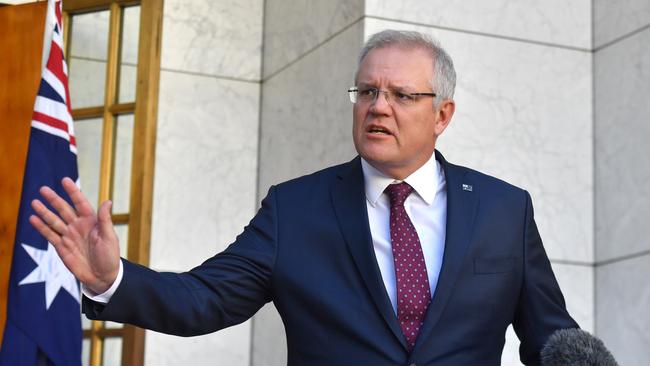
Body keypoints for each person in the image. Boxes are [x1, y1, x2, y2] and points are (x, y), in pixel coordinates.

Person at [30, 30, 578, 365]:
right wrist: (110, 280)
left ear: (442, 115)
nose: (377, 107)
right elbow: (206, 299)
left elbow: (551, 338)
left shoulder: (504, 210)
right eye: (367, 92)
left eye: (401, 95)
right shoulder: (295, 210)